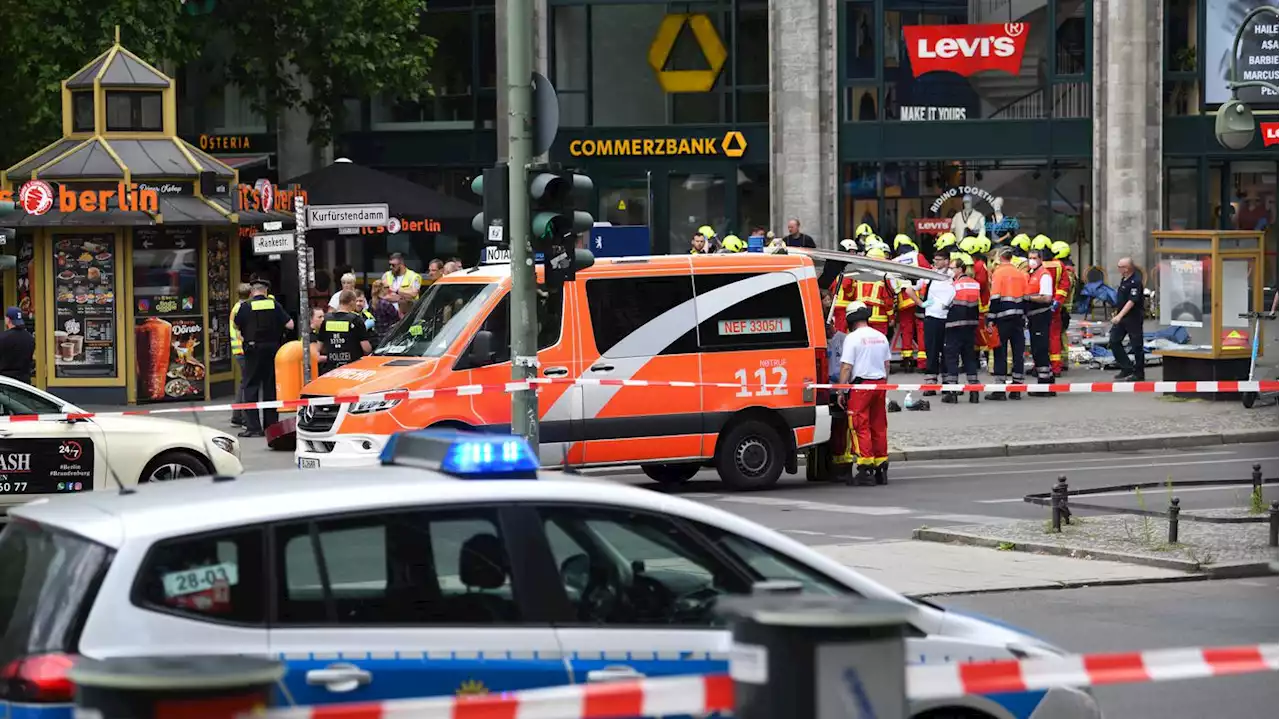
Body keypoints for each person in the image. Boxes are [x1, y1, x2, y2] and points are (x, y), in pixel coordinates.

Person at [836, 302, 891, 487]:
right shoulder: (881, 337)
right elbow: (887, 365)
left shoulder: (852, 338)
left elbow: (846, 367)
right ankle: (881, 467)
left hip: (861, 387)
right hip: (880, 384)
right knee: (879, 426)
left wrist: (841, 390)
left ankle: (865, 468)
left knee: (859, 426)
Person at [233, 279, 294, 437]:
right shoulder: (274, 305)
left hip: (253, 350)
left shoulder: (245, 306)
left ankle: (253, 427)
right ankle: (271, 426)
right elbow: (290, 325)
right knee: (270, 386)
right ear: (266, 291)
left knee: (251, 386)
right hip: (272, 349)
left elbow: (236, 325)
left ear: (252, 291)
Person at [986, 248, 1026, 401]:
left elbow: (995, 297)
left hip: (1002, 319)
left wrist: (991, 319)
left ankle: (999, 390)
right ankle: (1016, 388)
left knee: (1000, 352)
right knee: (1018, 353)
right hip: (1018, 318)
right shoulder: (1019, 273)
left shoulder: (998, 273)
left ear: (1000, 257)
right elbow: (1026, 297)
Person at [942, 253, 982, 404]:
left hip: (954, 325)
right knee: (969, 357)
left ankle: (952, 391)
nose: (950, 271)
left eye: (952, 268)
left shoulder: (954, 285)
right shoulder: (974, 283)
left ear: (960, 269)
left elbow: (946, 304)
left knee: (952, 358)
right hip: (970, 325)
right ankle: (974, 390)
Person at [916, 250, 954, 392]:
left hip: (948, 318)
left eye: (939, 259)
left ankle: (946, 382)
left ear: (947, 261)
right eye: (935, 259)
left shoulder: (952, 276)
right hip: (932, 317)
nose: (936, 262)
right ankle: (931, 382)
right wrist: (921, 303)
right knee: (931, 351)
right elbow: (909, 289)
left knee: (947, 351)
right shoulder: (929, 275)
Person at [1025, 249, 1058, 395]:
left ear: (1040, 259)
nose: (1031, 260)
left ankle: (1044, 385)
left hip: (1041, 316)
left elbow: (1046, 298)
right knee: (1037, 348)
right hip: (1034, 316)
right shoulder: (1032, 274)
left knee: (1040, 349)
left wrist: (1028, 298)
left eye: (1034, 258)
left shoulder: (1044, 275)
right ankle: (1048, 381)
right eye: (1030, 258)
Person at [318, 289, 373, 375]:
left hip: (331, 368)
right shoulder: (356, 319)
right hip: (353, 368)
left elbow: (319, 347)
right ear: (351, 302)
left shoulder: (327, 319)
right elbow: (366, 348)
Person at [1110, 257, 1146, 381]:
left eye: (1120, 267)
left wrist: (1120, 316)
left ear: (1127, 268)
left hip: (1133, 318)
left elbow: (1131, 301)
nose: (1118, 269)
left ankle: (1139, 373)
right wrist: (1117, 313)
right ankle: (1126, 367)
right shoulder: (1124, 280)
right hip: (1122, 316)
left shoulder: (1135, 281)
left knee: (1136, 345)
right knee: (1114, 341)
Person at [1051, 241, 1077, 375]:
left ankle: (1061, 362)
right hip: (1063, 307)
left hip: (1063, 308)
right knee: (1060, 335)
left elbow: (1065, 288)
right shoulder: (1067, 268)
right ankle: (1063, 361)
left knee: (1059, 336)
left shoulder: (1067, 271)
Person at [228, 283, 251, 427]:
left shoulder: (236, 308)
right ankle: (241, 416)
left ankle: (237, 416)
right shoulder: (242, 309)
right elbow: (240, 331)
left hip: (238, 350)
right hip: (243, 350)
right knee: (246, 384)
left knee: (243, 383)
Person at [0, 307, 35, 383]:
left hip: (6, 383)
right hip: (24, 383)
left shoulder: (2, 338)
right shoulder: (30, 338)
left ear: (7, 319)